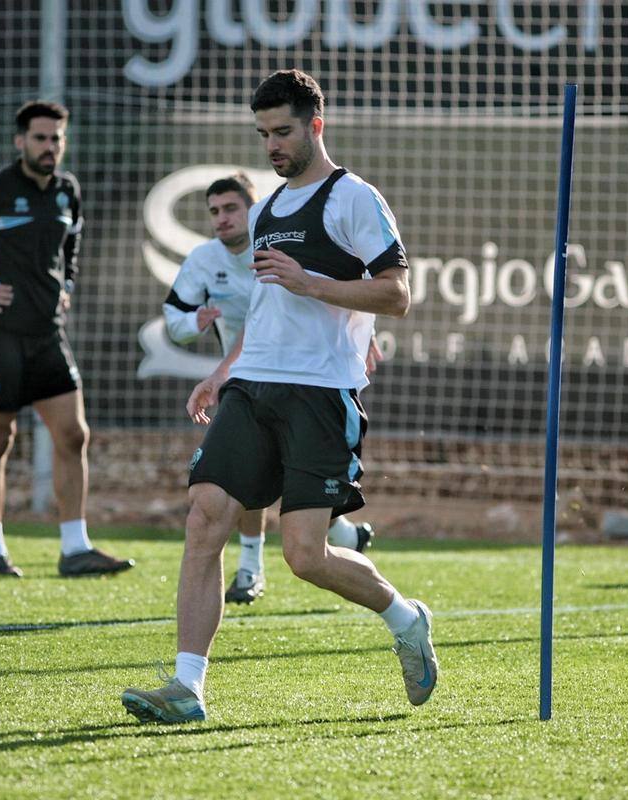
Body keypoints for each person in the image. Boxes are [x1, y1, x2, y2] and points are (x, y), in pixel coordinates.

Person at [122, 70, 437, 724]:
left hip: (319, 395)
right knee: (205, 517)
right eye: (263, 134)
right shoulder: (266, 209)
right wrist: (222, 373)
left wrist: (314, 284)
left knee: (303, 556)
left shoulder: (354, 198)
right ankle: (186, 688)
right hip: (252, 385)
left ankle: (405, 619)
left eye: (283, 131)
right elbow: (266, 309)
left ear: (316, 125)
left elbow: (397, 294)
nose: (272, 145)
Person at [0, 99, 133, 579]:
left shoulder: (67, 191)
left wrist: (67, 284)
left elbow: (72, 242)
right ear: (20, 141)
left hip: (48, 335)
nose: (49, 146)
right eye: (40, 138)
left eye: (57, 138)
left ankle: (75, 549)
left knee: (73, 434)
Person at [163, 171, 377, 605]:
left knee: (296, 502)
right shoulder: (204, 259)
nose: (222, 219)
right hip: (245, 378)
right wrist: (194, 325)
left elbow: (361, 289)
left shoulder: (282, 240)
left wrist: (363, 329)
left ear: (254, 210)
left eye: (231, 208)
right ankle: (250, 568)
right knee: (236, 483)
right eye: (214, 211)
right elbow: (174, 320)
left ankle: (343, 538)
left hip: (307, 380)